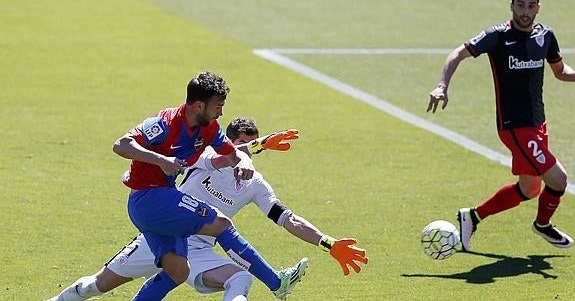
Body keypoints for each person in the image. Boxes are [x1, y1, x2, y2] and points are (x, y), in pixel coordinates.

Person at [47, 117, 368, 301]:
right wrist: (259, 144)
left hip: (199, 248)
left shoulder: (255, 184)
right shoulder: (207, 161)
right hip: (159, 231)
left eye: (251, 145)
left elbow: (287, 218)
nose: (246, 153)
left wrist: (327, 242)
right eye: (241, 144)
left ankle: (275, 283)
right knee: (98, 285)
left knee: (238, 280)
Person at [112, 71, 307, 300]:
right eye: (217, 106)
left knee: (179, 272)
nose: (221, 112)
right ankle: (276, 283)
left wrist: (245, 160)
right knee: (221, 224)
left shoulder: (210, 129)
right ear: (198, 105)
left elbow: (232, 153)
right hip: (151, 202)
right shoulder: (164, 124)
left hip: (171, 216)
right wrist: (161, 160)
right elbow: (121, 145)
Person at [427, 0, 575, 252]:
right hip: (514, 127)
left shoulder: (545, 36)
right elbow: (458, 53)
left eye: (531, 6)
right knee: (559, 180)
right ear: (511, 6)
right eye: (520, 5)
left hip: (538, 123)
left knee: (530, 189)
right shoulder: (498, 36)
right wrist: (442, 85)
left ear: (538, 8)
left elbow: (561, 71)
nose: (525, 11)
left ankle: (472, 216)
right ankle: (542, 225)